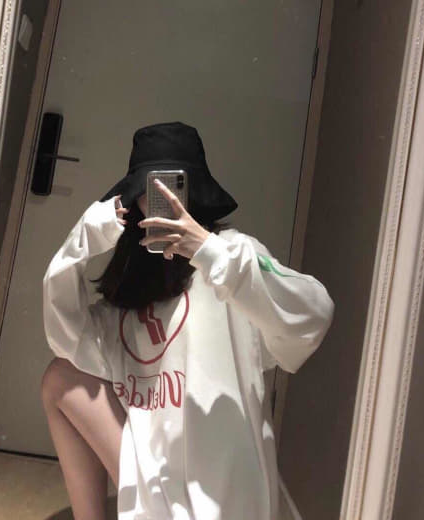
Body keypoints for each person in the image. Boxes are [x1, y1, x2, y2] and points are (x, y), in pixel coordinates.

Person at [40, 122, 335, 520]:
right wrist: (82, 243)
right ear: (133, 197)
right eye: (150, 190)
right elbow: (66, 342)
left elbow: (312, 315)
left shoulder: (232, 256)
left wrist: (206, 250)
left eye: (173, 187)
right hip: (153, 487)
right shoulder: (128, 289)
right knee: (60, 376)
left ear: (194, 190)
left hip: (227, 501)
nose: (162, 202)